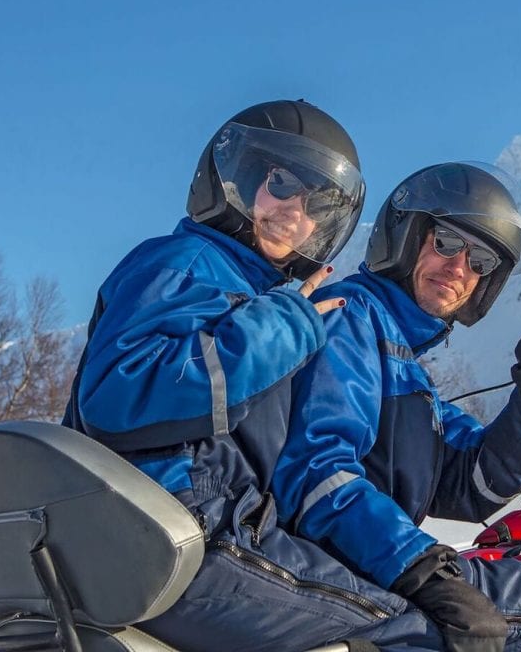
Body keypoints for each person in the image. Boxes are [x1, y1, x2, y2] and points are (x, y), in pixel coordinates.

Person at [62, 100, 415, 652]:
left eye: (317, 202)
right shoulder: (186, 261)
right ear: (235, 179)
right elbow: (116, 396)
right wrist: (280, 327)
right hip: (174, 529)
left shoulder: (255, 289)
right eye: (281, 183)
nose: (295, 211)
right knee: (404, 630)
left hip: (199, 530)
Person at [274, 162, 521, 652]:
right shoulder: (350, 318)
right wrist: (423, 568)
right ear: (405, 237)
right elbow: (318, 471)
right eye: (445, 242)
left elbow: (474, 483)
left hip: (363, 563)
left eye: (481, 260)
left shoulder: (403, 362)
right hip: (334, 569)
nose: (459, 267)